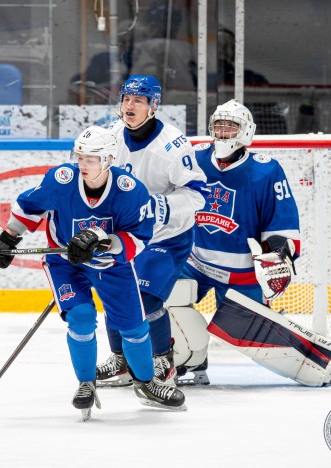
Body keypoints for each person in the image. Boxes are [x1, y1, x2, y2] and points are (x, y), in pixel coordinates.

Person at [0, 125, 186, 420]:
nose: (82, 164)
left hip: (110, 267)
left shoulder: (130, 191)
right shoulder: (61, 180)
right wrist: (8, 238)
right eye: (80, 157)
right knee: (81, 317)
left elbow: (139, 239)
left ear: (108, 160)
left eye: (91, 159)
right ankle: (86, 383)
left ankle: (147, 383)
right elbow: (28, 207)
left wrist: (103, 242)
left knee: (133, 328)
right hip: (65, 263)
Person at [96, 75, 208, 388]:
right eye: (126, 99)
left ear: (153, 106)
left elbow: (199, 194)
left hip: (166, 238)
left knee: (144, 300)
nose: (129, 106)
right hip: (126, 236)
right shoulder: (113, 135)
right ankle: (120, 359)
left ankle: (163, 362)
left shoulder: (172, 146)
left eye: (138, 101)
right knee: (114, 294)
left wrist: (160, 206)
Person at [182, 99, 300, 309]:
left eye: (231, 126)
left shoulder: (266, 171)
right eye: (219, 125)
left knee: (243, 340)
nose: (223, 131)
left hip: (243, 274)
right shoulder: (194, 157)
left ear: (245, 131)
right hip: (194, 264)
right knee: (164, 309)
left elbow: (282, 220)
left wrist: (277, 254)